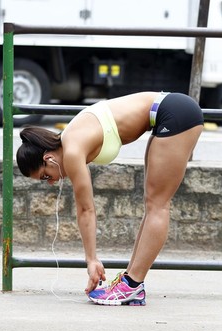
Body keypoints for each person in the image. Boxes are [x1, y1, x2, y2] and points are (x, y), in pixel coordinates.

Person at [16, 91, 204, 306]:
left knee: (158, 205)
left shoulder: (72, 150)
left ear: (48, 158)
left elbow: (86, 209)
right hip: (169, 112)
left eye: (46, 176)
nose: (51, 182)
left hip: (174, 112)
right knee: (152, 204)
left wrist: (91, 260)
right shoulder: (70, 140)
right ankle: (131, 282)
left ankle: (132, 285)